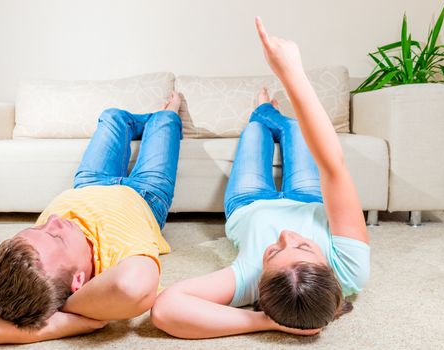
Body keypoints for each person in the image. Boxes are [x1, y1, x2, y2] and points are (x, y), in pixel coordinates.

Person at [150, 17, 370, 338]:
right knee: (295, 130)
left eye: (274, 252)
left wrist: (265, 321)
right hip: (309, 197)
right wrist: (291, 71)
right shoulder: (351, 271)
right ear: (329, 268)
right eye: (304, 247)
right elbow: (332, 166)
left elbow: (166, 309)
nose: (285, 235)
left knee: (254, 131)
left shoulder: (252, 280)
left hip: (249, 202)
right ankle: (274, 113)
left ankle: (263, 112)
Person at [0, 92, 183, 346]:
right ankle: (160, 117)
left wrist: (40, 327)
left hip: (88, 183)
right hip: (145, 194)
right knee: (165, 120)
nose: (53, 219)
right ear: (79, 281)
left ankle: (139, 123)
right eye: (56, 236)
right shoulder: (113, 265)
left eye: (39, 227)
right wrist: (64, 318)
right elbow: (132, 287)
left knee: (112, 117)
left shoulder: (22, 273)